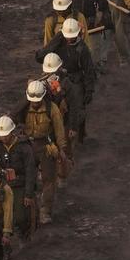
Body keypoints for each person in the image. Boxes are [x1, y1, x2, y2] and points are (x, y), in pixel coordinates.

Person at [14, 79, 67, 225]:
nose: (35, 103)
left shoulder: (52, 109)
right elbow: (13, 116)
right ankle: (29, 211)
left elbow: (59, 129)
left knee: (48, 180)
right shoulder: (24, 108)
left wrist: (61, 149)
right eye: (32, 100)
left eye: (37, 100)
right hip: (27, 146)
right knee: (26, 179)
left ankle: (45, 211)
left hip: (45, 146)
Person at [0, 116, 37, 240]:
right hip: (3, 184)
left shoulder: (24, 147)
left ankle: (24, 235)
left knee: (20, 217)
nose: (3, 138)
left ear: (12, 132)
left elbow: (30, 170)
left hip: (19, 185)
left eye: (6, 135)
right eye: (1, 135)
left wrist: (28, 194)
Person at [42, 51, 85, 183]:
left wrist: (73, 127)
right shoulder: (43, 83)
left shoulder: (67, 84)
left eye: (53, 71)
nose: (50, 74)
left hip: (64, 122)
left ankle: (64, 176)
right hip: (49, 123)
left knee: (65, 149)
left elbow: (73, 107)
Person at [69, 0, 109, 71]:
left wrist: (96, 21)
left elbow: (103, 11)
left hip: (93, 28)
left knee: (94, 56)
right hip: (75, 27)